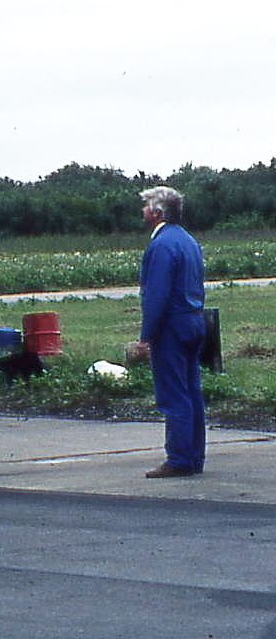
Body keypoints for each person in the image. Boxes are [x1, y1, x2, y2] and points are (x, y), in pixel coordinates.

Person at [126, 185, 207, 478]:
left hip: (171, 326)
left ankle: (179, 458)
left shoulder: (160, 245)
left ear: (157, 212)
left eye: (146, 206)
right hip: (194, 319)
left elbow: (156, 294)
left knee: (173, 394)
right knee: (191, 390)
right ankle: (194, 455)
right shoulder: (187, 240)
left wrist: (146, 336)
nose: (142, 211)